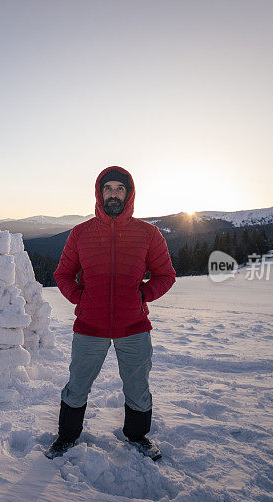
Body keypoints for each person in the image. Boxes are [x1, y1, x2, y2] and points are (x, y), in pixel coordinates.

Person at [45, 166, 177, 461]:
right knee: (77, 385)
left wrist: (142, 294)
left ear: (128, 194)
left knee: (137, 386)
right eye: (108, 189)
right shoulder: (81, 233)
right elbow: (63, 274)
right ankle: (66, 437)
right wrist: (81, 298)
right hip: (89, 326)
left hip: (134, 326)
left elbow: (166, 274)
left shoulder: (148, 233)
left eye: (119, 188)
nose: (113, 194)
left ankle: (138, 436)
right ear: (99, 193)